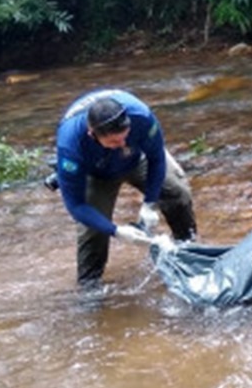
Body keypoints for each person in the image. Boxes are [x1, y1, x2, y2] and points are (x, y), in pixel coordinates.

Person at [54, 88, 197, 287]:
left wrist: (150, 203)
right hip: (96, 173)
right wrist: (116, 231)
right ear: (92, 134)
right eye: (114, 141)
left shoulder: (141, 117)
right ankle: (89, 289)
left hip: (138, 159)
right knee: (93, 231)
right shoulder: (71, 146)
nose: (121, 143)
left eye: (124, 136)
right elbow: (76, 206)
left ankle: (189, 252)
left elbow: (156, 159)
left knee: (178, 194)